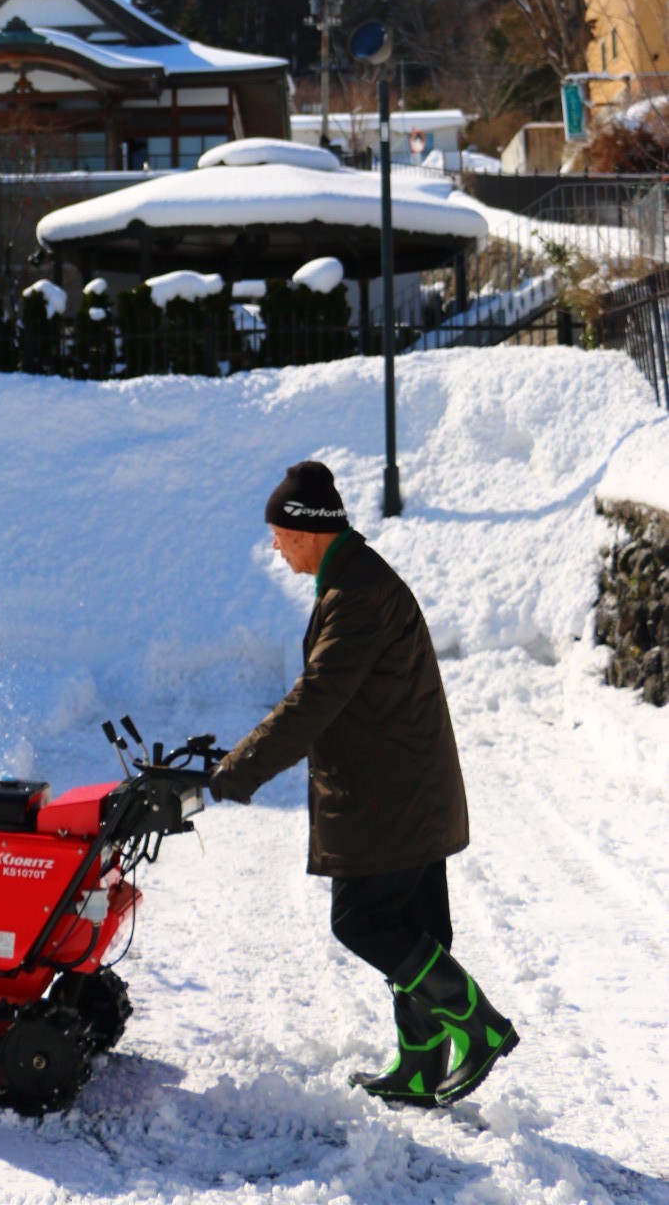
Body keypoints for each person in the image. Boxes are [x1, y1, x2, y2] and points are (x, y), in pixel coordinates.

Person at [209, 459, 519, 1107]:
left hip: (388, 796)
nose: (272, 545)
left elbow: (315, 700)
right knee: (415, 929)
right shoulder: (353, 583)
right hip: (406, 787)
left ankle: (476, 1025)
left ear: (307, 530)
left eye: (277, 531)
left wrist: (240, 771)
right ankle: (419, 1068)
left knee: (363, 922)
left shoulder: (354, 599)